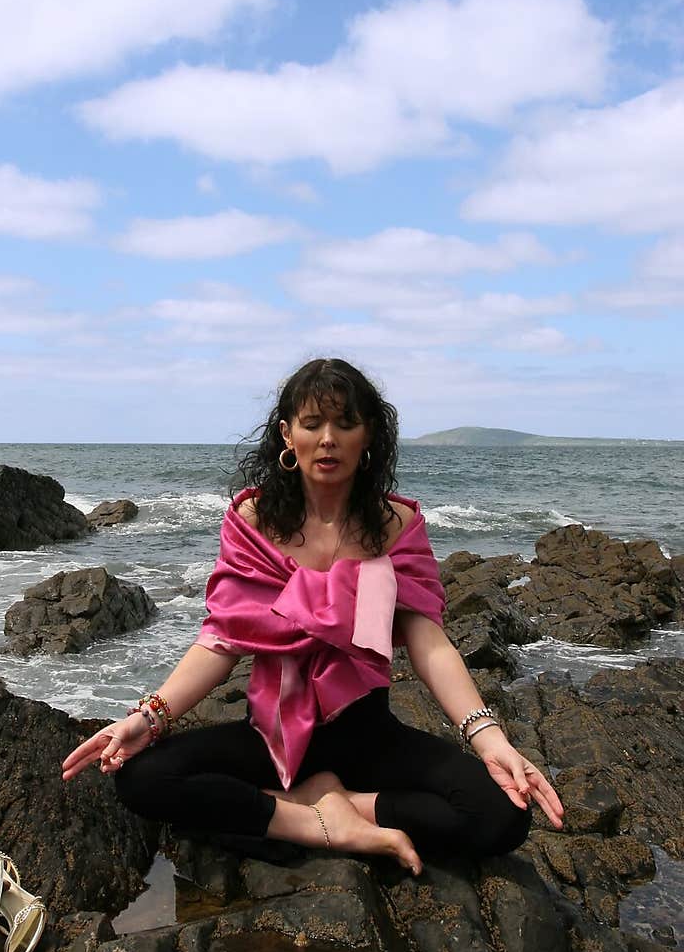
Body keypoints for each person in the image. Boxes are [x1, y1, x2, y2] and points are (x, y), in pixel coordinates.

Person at [63, 358, 564, 875]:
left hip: (370, 738)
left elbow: (428, 640)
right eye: (312, 423)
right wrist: (149, 717)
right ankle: (313, 821)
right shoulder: (252, 521)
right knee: (141, 777)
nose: (328, 438)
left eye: (345, 423)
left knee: (505, 812)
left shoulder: (396, 525)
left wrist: (490, 738)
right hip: (271, 737)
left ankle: (338, 802)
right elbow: (221, 641)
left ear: (368, 435)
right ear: (287, 433)